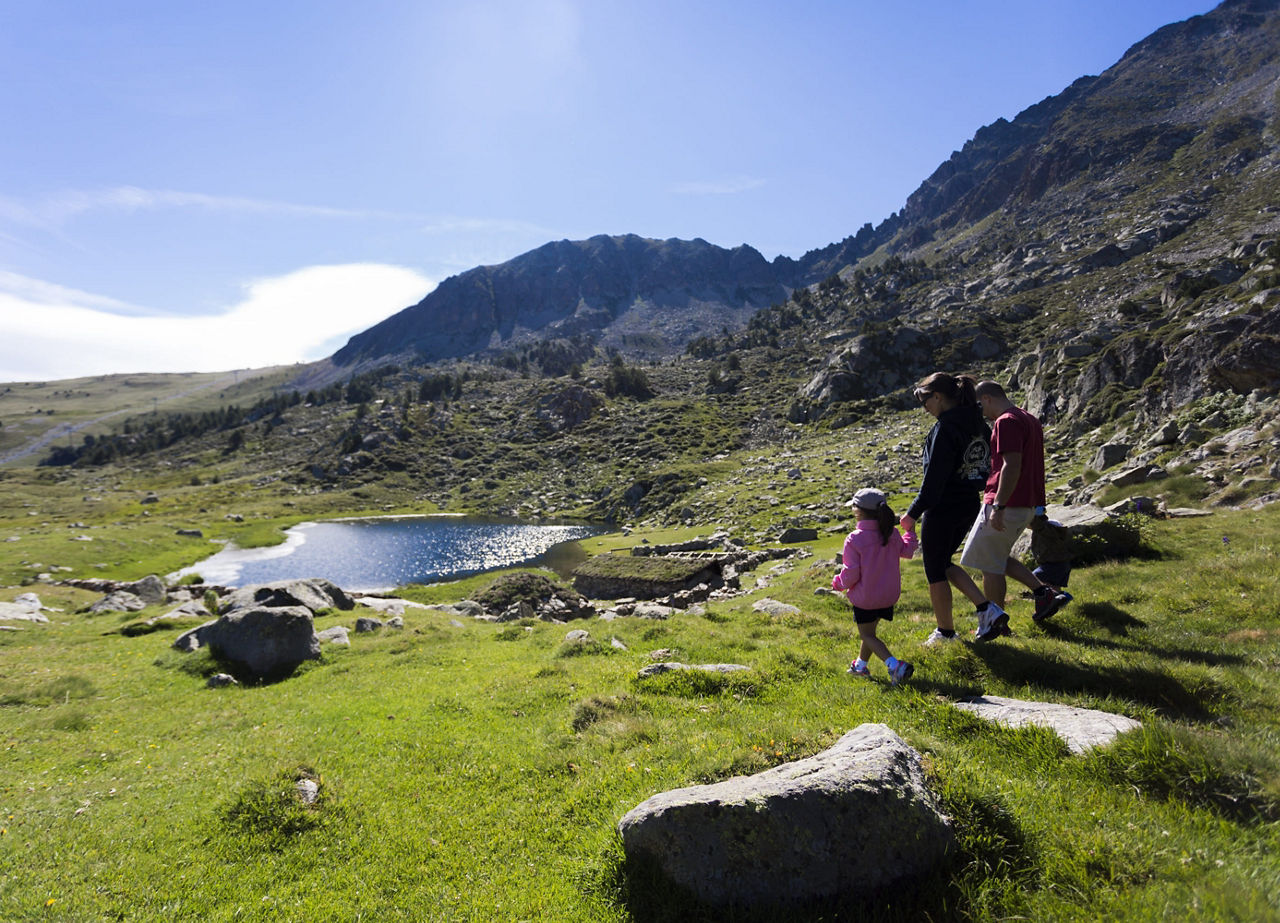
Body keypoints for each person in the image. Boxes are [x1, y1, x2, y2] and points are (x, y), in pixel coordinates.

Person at [899, 373, 1008, 645]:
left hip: (943, 507)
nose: (924, 407)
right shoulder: (978, 424)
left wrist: (912, 513)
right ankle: (987, 610)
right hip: (969, 503)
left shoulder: (945, 428)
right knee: (944, 562)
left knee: (935, 571)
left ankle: (948, 632)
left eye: (925, 400)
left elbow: (933, 480)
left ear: (938, 396)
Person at [960, 381, 1072, 631]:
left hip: (1007, 503)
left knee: (989, 563)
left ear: (987, 398)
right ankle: (1039, 595)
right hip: (1026, 503)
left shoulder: (1006, 421)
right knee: (995, 557)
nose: (981, 414)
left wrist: (998, 505)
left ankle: (998, 620)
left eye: (980, 406)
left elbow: (1011, 465)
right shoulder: (1029, 418)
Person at [832, 487, 919, 685]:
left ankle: (895, 666)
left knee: (867, 635)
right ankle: (860, 666)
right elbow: (907, 552)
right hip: (888, 596)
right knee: (870, 634)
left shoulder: (855, 538)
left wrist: (838, 583)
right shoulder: (892, 533)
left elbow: (851, 573)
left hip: (866, 598)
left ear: (858, 511)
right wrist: (910, 533)